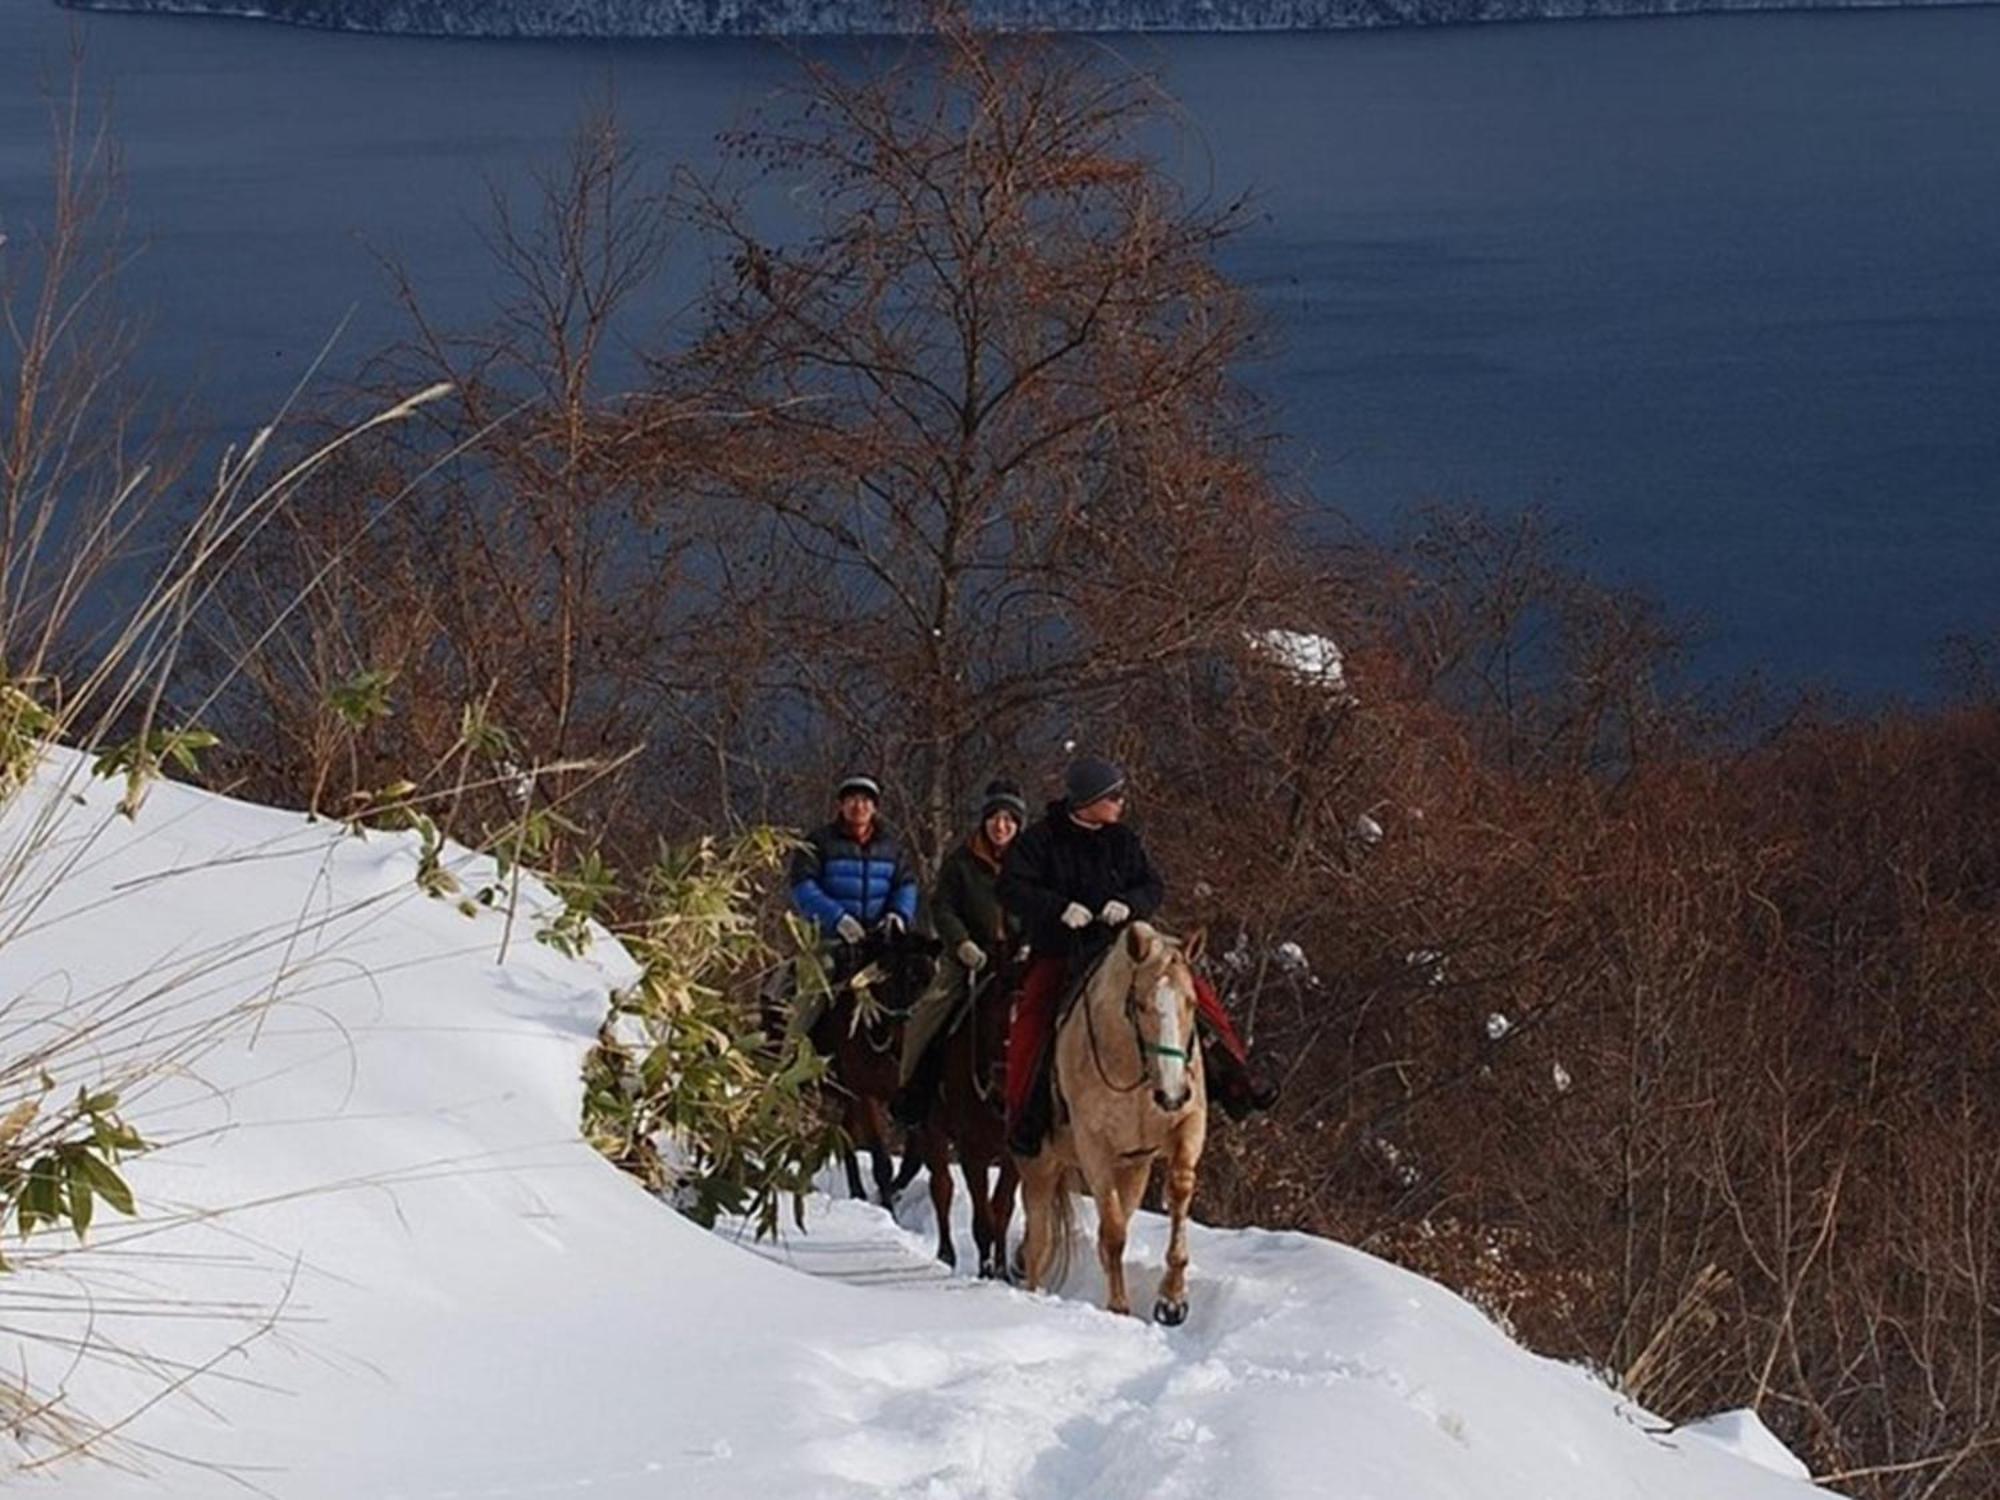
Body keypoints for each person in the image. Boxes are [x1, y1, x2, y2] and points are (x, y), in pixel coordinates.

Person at [997, 756, 1272, 1156]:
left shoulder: (1122, 840)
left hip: (1124, 946)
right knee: (1033, 1020)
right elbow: (1011, 889)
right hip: (1063, 949)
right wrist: (1057, 908)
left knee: (1189, 987)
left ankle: (1236, 1071)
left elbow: (1152, 885)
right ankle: (1024, 1113)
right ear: (1088, 800)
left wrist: (1128, 904)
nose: (1121, 802)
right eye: (1113, 796)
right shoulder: (1040, 841)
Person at [890, 779, 1027, 1127]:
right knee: (929, 1009)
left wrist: (1029, 943)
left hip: (1017, 958)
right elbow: (944, 907)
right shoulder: (961, 862)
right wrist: (961, 943)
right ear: (984, 821)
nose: (1001, 826)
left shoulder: (1030, 865)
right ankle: (910, 1090)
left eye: (1009, 820)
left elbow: (1039, 906)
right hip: (968, 957)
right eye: (995, 818)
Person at [787, 773, 920, 1037]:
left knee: (919, 972)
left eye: (866, 801)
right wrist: (838, 919)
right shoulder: (819, 842)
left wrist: (898, 914)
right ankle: (790, 1057)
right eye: (852, 800)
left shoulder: (890, 845)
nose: (859, 807)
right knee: (816, 985)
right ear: (841, 805)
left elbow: (906, 884)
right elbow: (803, 887)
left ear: (875, 807)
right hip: (830, 938)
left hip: (880, 938)